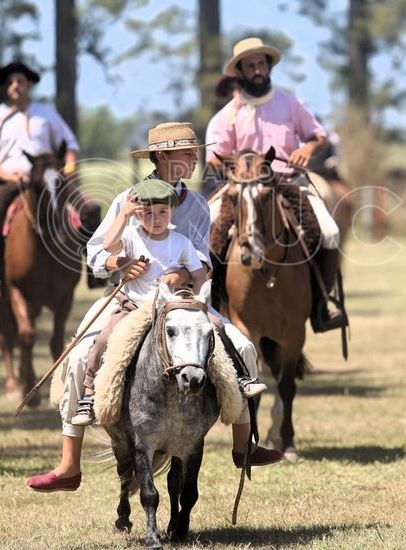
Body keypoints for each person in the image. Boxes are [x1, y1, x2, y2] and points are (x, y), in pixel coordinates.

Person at [26, 122, 282, 493]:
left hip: (183, 303)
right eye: (187, 153)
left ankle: (245, 446)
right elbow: (97, 252)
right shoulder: (128, 198)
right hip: (131, 301)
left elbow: (203, 258)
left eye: (195, 153)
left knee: (241, 346)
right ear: (163, 157)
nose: (195, 159)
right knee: (81, 355)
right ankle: (69, 465)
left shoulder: (194, 205)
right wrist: (120, 266)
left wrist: (184, 275)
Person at [205, 37, 347, 332]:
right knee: (207, 234)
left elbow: (317, 135)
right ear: (240, 72)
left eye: (261, 64)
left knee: (330, 232)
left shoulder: (291, 103)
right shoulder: (228, 115)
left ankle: (322, 305)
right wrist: (237, 168)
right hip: (243, 188)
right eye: (250, 66)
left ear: (268, 67)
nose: (257, 70)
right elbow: (213, 159)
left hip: (289, 180)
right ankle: (210, 303)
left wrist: (307, 150)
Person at [68, 179, 209, 427]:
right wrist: (123, 215)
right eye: (148, 213)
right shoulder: (132, 235)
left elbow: (199, 274)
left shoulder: (182, 243)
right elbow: (108, 245)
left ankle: (236, 382)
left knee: (215, 331)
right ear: (138, 214)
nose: (156, 219)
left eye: (162, 212)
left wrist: (195, 302)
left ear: (172, 211)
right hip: (134, 307)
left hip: (172, 309)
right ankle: (89, 394)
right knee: (103, 340)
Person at [0, 61, 100, 303]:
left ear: (29, 84)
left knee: (91, 209)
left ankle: (95, 272)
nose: (15, 86)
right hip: (11, 181)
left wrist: (69, 168)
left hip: (50, 179)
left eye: (19, 81)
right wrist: (10, 176)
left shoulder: (46, 113)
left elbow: (70, 145)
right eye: (10, 82)